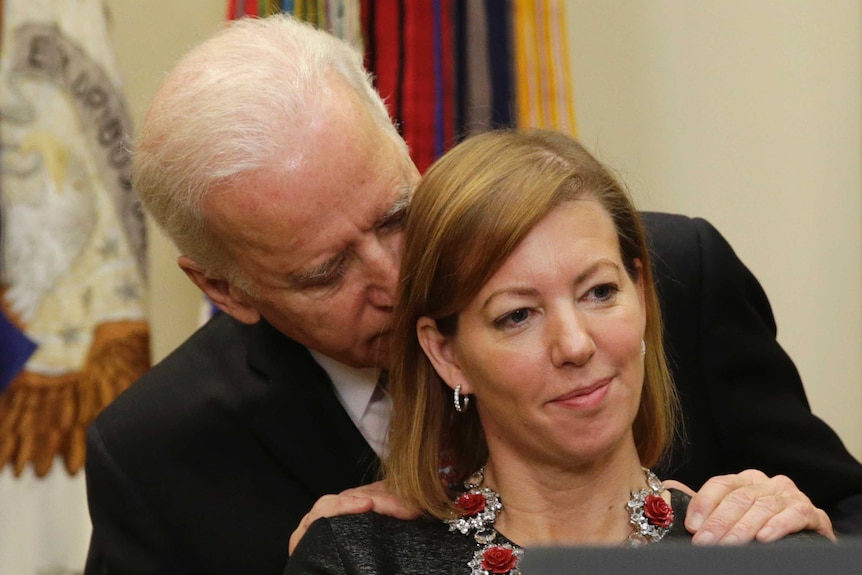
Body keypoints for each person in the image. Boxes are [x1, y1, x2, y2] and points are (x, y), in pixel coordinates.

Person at [83, 14, 860, 575]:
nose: (394, 274)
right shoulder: (157, 452)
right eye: (326, 272)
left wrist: (802, 531)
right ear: (226, 288)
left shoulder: (675, 273)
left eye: (395, 213)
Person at [286, 128, 829, 575]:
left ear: (641, 294)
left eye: (600, 292)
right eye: (516, 315)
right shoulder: (358, 562)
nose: (574, 344)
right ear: (446, 354)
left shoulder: (760, 548)